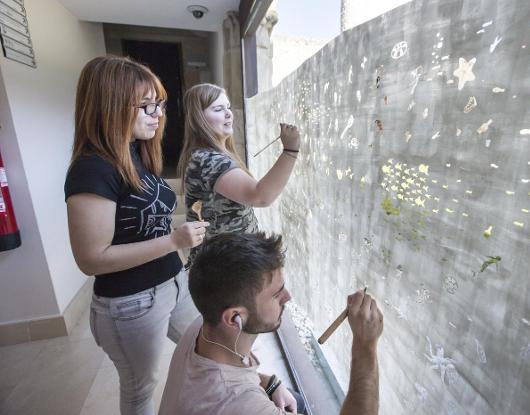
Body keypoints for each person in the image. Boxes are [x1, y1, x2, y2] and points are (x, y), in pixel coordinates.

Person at [64, 55, 208, 415]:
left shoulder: (135, 154)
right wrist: (174, 241)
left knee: (209, 344)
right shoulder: (92, 170)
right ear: (109, 107)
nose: (156, 114)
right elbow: (91, 259)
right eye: (145, 106)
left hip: (173, 283)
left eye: (158, 105)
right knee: (141, 390)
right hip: (131, 303)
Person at [159, 232, 383, 415]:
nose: (288, 297)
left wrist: (270, 384)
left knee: (296, 401)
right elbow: (231, 394)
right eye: (277, 294)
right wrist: (365, 345)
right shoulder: (239, 404)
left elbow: (231, 377)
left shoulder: (206, 324)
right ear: (234, 317)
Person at [177, 83, 300, 268]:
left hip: (226, 263)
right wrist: (291, 150)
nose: (228, 114)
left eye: (227, 107)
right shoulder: (208, 160)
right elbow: (260, 197)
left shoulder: (206, 155)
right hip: (223, 270)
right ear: (198, 118)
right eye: (218, 109)